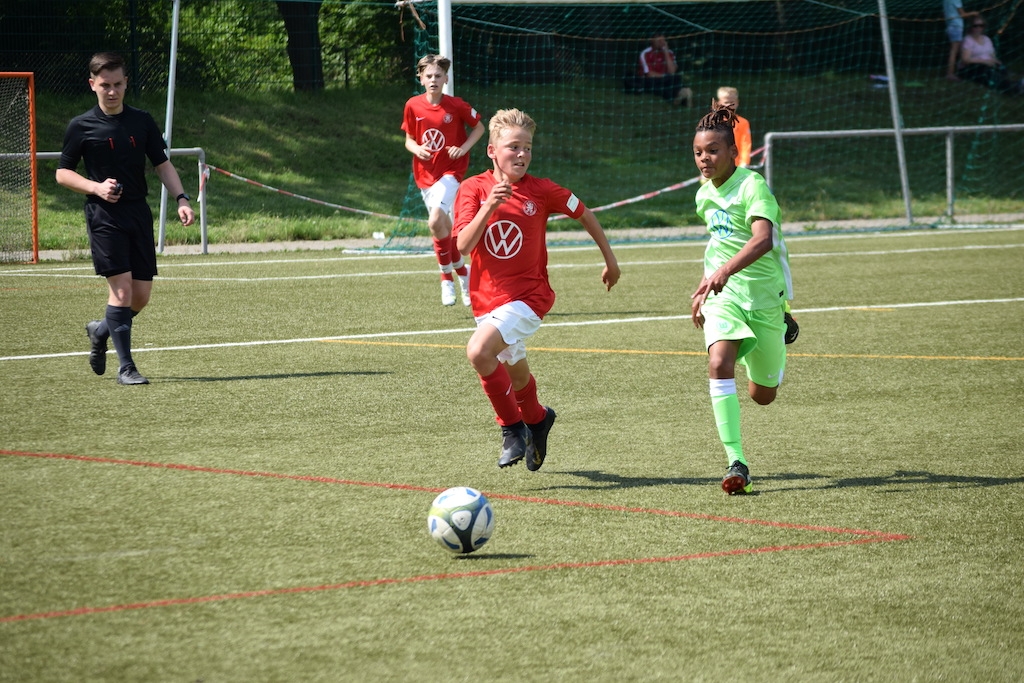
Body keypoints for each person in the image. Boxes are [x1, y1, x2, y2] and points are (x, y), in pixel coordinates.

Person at [453, 108, 621, 471]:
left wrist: (611, 260)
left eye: (527, 147)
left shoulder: (542, 190)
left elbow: (584, 212)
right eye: (513, 147)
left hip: (528, 299)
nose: (522, 154)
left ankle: (511, 429)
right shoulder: (473, 189)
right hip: (487, 302)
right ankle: (538, 419)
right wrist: (489, 206)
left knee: (479, 351)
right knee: (515, 375)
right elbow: (463, 246)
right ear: (492, 151)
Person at [56, 52, 195, 386]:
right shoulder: (81, 126)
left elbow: (162, 164)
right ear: (92, 85)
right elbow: (62, 173)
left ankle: (101, 330)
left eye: (118, 84)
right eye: (105, 85)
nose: (112, 91)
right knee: (121, 290)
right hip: (104, 215)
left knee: (140, 295)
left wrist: (182, 199)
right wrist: (96, 187)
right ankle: (126, 368)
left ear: (126, 83)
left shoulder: (142, 121)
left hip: (138, 213)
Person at [690, 102, 794, 495]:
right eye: (698, 152)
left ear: (734, 152)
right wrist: (706, 284)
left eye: (713, 150)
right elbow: (719, 246)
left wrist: (723, 271)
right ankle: (737, 461)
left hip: (764, 298)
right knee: (719, 362)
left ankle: (779, 326)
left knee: (762, 396)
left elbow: (763, 240)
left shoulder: (753, 186)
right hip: (725, 296)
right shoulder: (703, 196)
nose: (705, 158)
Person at [402, 54, 485, 306]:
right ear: (420, 78)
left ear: (446, 79)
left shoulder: (456, 105)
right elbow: (409, 140)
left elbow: (480, 127)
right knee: (443, 229)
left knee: (435, 220)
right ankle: (464, 274)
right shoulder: (413, 106)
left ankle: (446, 279)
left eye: (438, 76)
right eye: (428, 76)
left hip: (451, 173)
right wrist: (417, 149)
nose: (433, 80)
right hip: (425, 176)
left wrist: (463, 148)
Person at [956, 17, 1024, 94]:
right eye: (975, 26)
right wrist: (984, 61)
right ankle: (1014, 88)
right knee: (989, 74)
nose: (978, 28)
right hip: (971, 68)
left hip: (987, 65)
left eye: (981, 26)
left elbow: (992, 54)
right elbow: (965, 60)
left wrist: (994, 60)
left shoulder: (987, 39)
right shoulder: (967, 40)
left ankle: (1016, 83)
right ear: (971, 27)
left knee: (1001, 69)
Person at [624, 33, 693, 107]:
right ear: (652, 41)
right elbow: (649, 74)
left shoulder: (670, 53)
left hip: (667, 79)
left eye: (663, 40)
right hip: (651, 80)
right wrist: (665, 76)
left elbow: (672, 71)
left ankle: (681, 95)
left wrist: (666, 52)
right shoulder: (646, 53)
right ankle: (683, 94)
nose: (661, 43)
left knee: (675, 79)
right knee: (664, 86)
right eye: (659, 41)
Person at [715, 87, 752, 167]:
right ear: (719, 103)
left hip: (736, 165)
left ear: (737, 102)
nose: (729, 105)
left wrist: (745, 162)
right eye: (726, 102)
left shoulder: (743, 123)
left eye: (732, 102)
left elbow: (745, 143)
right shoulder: (714, 121)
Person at [944, 0, 978, 81]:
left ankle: (962, 69)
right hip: (956, 26)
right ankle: (950, 74)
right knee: (954, 51)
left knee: (958, 50)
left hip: (950, 25)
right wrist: (973, 13)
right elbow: (963, 14)